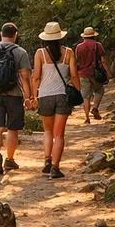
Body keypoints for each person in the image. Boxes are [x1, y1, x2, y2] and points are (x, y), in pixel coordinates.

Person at [0, 22, 34, 176]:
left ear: (0, 33)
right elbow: (25, 77)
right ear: (15, 35)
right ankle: (9, 159)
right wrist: (28, 97)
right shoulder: (20, 52)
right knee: (13, 128)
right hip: (14, 94)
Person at [33, 21, 79, 179]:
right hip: (62, 96)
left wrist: (34, 96)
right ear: (60, 37)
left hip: (44, 95)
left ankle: (47, 160)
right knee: (59, 135)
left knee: (47, 131)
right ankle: (55, 168)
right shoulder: (69, 53)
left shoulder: (40, 53)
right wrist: (78, 91)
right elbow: (73, 75)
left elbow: (36, 77)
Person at [75, 27, 106, 123]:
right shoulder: (98, 45)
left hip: (83, 74)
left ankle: (87, 118)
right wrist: (108, 73)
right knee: (99, 90)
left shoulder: (79, 47)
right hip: (95, 73)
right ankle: (95, 107)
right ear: (93, 36)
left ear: (84, 37)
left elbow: (76, 61)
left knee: (86, 97)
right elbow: (103, 61)